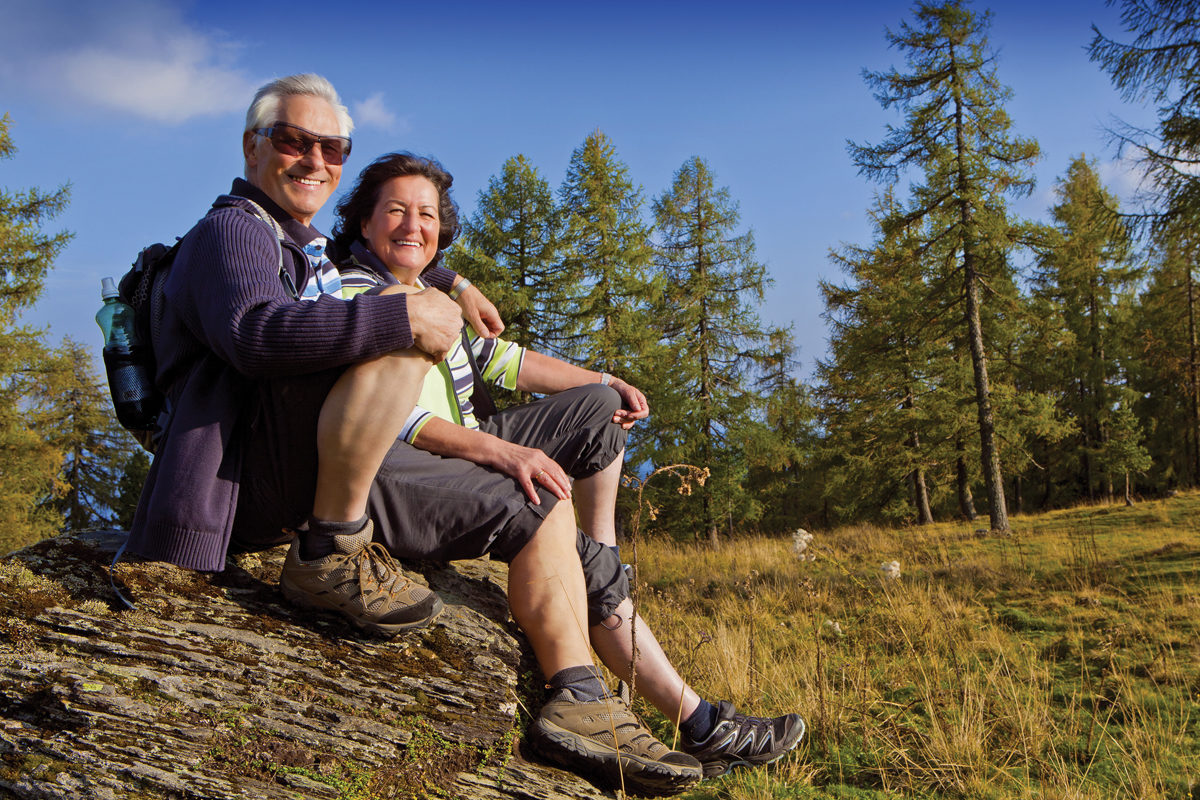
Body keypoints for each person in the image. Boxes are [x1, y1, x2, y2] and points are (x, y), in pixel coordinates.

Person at [125, 73, 801, 795]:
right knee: (529, 490)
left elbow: (434, 299)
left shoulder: (302, 246)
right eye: (294, 141)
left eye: (333, 147)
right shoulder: (234, 231)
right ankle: (578, 693)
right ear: (253, 146)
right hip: (255, 481)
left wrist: (449, 283)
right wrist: (418, 329)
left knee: (573, 419)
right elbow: (255, 337)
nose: (314, 159)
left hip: (309, 455)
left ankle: (604, 596)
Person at [324, 150, 807, 787]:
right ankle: (692, 720)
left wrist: (607, 379)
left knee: (603, 409)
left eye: (428, 214)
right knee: (544, 498)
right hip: (403, 463)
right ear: (363, 222)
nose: (413, 225)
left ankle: (599, 552)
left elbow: (508, 363)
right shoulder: (357, 293)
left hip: (463, 440)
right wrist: (501, 451)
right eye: (395, 211)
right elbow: (391, 421)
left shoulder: (433, 291)